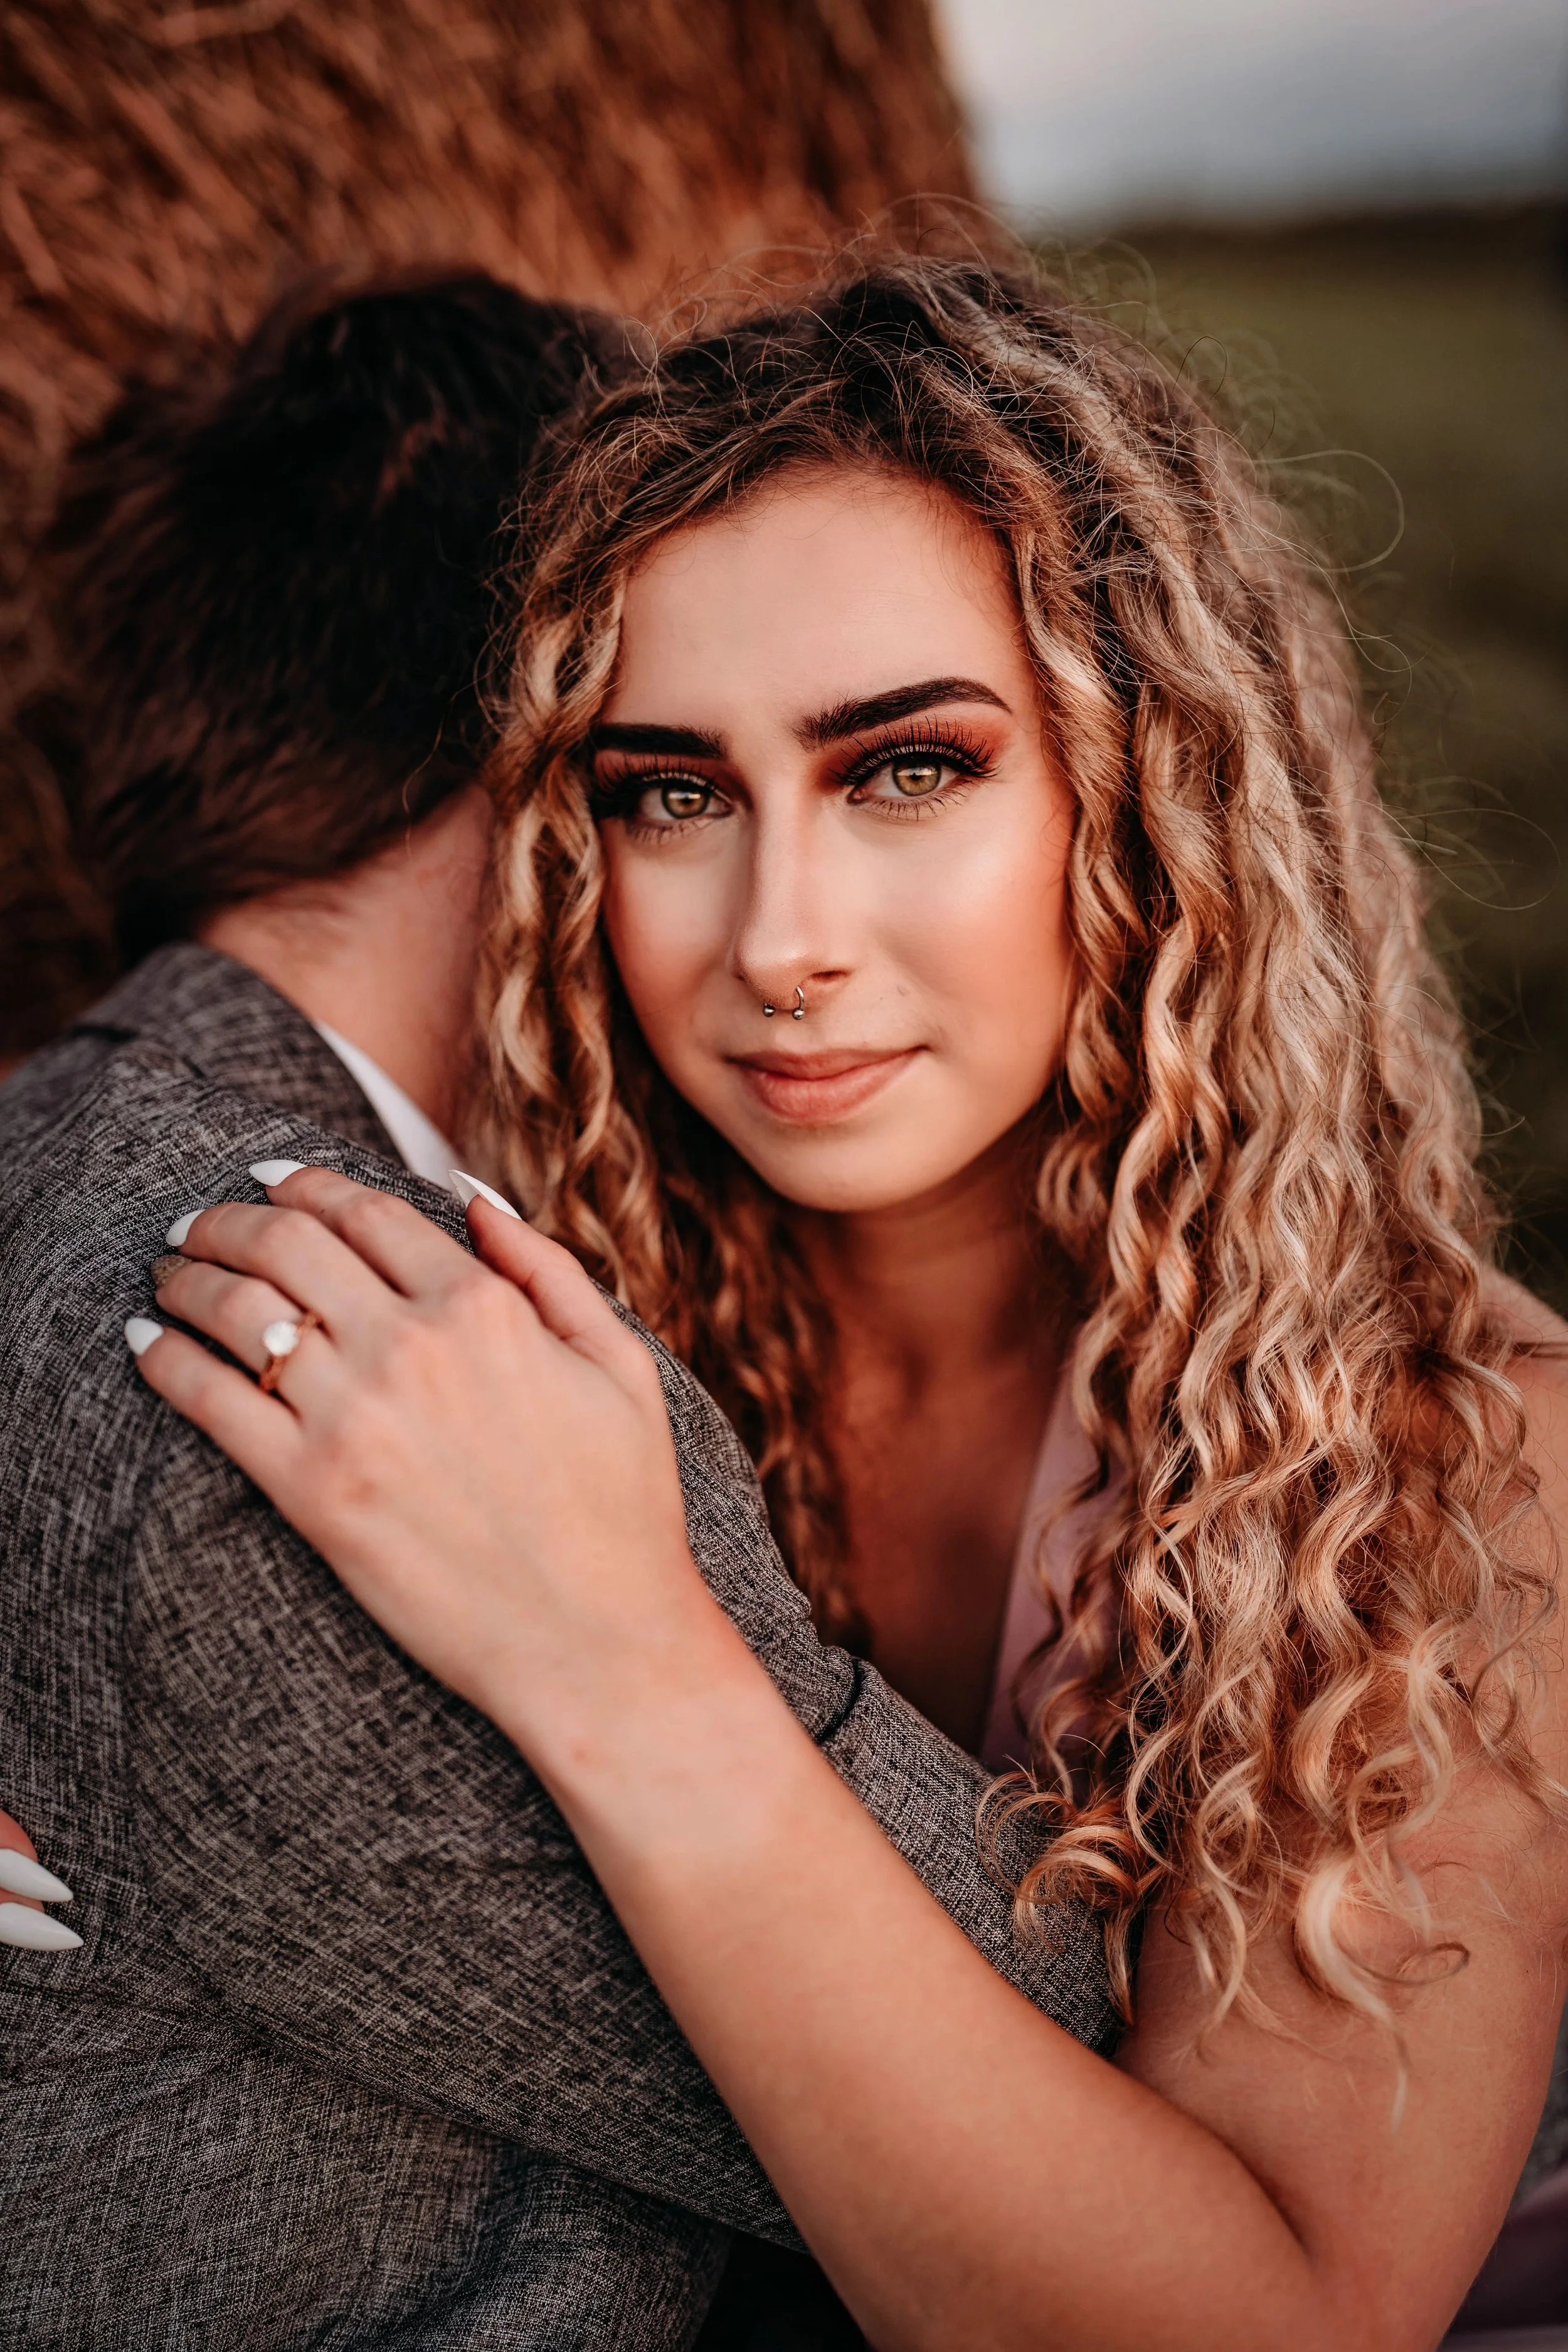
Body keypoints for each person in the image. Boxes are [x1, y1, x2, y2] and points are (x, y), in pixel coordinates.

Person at [143, 252, 1568, 2351]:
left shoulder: (1453, 1449)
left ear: (1152, 790)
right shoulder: (559, 1303)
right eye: (672, 794)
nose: (780, 937)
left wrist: (616, 1664)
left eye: (905, 766)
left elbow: (1276, 2322)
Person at [0, 267, 1116, 2351]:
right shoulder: (360, 1358)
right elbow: (1056, 2098)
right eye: (671, 773)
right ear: (542, 732)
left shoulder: (48, 1175)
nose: (777, 925)